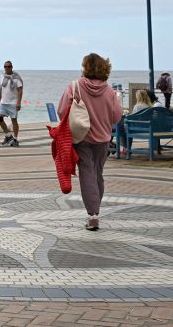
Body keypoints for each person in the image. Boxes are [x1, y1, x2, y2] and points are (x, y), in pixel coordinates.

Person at [57, 53, 123, 231]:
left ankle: (93, 215)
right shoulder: (109, 91)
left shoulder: (74, 87)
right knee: (97, 174)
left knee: (87, 174)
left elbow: (61, 111)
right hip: (103, 139)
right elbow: (117, 116)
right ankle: (95, 211)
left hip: (81, 138)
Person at [0, 60, 24, 147]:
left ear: (12, 67)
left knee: (14, 120)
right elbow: (1, 87)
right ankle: (8, 136)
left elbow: (20, 90)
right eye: (5, 66)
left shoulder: (16, 78)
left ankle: (15, 139)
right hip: (4, 102)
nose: (7, 68)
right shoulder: (2, 76)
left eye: (9, 66)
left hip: (13, 103)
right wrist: (0, 98)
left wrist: (18, 102)